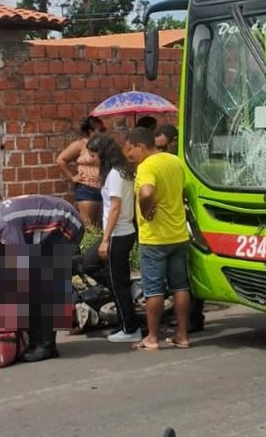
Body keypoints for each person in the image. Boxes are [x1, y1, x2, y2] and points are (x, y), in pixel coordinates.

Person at [0, 195, 85, 362]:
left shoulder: (3, 225)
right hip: (57, 224)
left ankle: (46, 346)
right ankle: (35, 340)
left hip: (67, 225)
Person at [121, 128, 192, 351]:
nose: (129, 156)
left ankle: (152, 338)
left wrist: (145, 209)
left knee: (154, 290)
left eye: (130, 151)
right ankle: (182, 335)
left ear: (140, 146)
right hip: (179, 234)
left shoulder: (147, 166)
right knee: (180, 287)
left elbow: (146, 192)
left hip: (155, 239)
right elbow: (185, 189)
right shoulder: (175, 161)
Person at [84, 133, 141, 342]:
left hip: (118, 233)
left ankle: (130, 328)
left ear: (103, 153)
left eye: (93, 155)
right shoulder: (117, 171)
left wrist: (105, 239)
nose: (91, 159)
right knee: (89, 263)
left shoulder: (116, 174)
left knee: (117, 282)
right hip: (119, 233)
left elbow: (115, 207)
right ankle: (129, 290)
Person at [153, 123, 204, 333]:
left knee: (188, 276)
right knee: (181, 278)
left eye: (164, 147)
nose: (161, 152)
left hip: (191, 223)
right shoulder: (168, 162)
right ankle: (188, 317)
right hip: (174, 225)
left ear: (175, 142)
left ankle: (193, 317)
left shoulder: (186, 161)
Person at [56, 115, 106, 228]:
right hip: (86, 188)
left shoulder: (104, 145)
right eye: (100, 130)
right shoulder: (81, 145)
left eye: (104, 130)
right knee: (88, 226)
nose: (103, 133)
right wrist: (72, 177)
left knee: (100, 225)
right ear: (90, 131)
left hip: (103, 187)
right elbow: (61, 160)